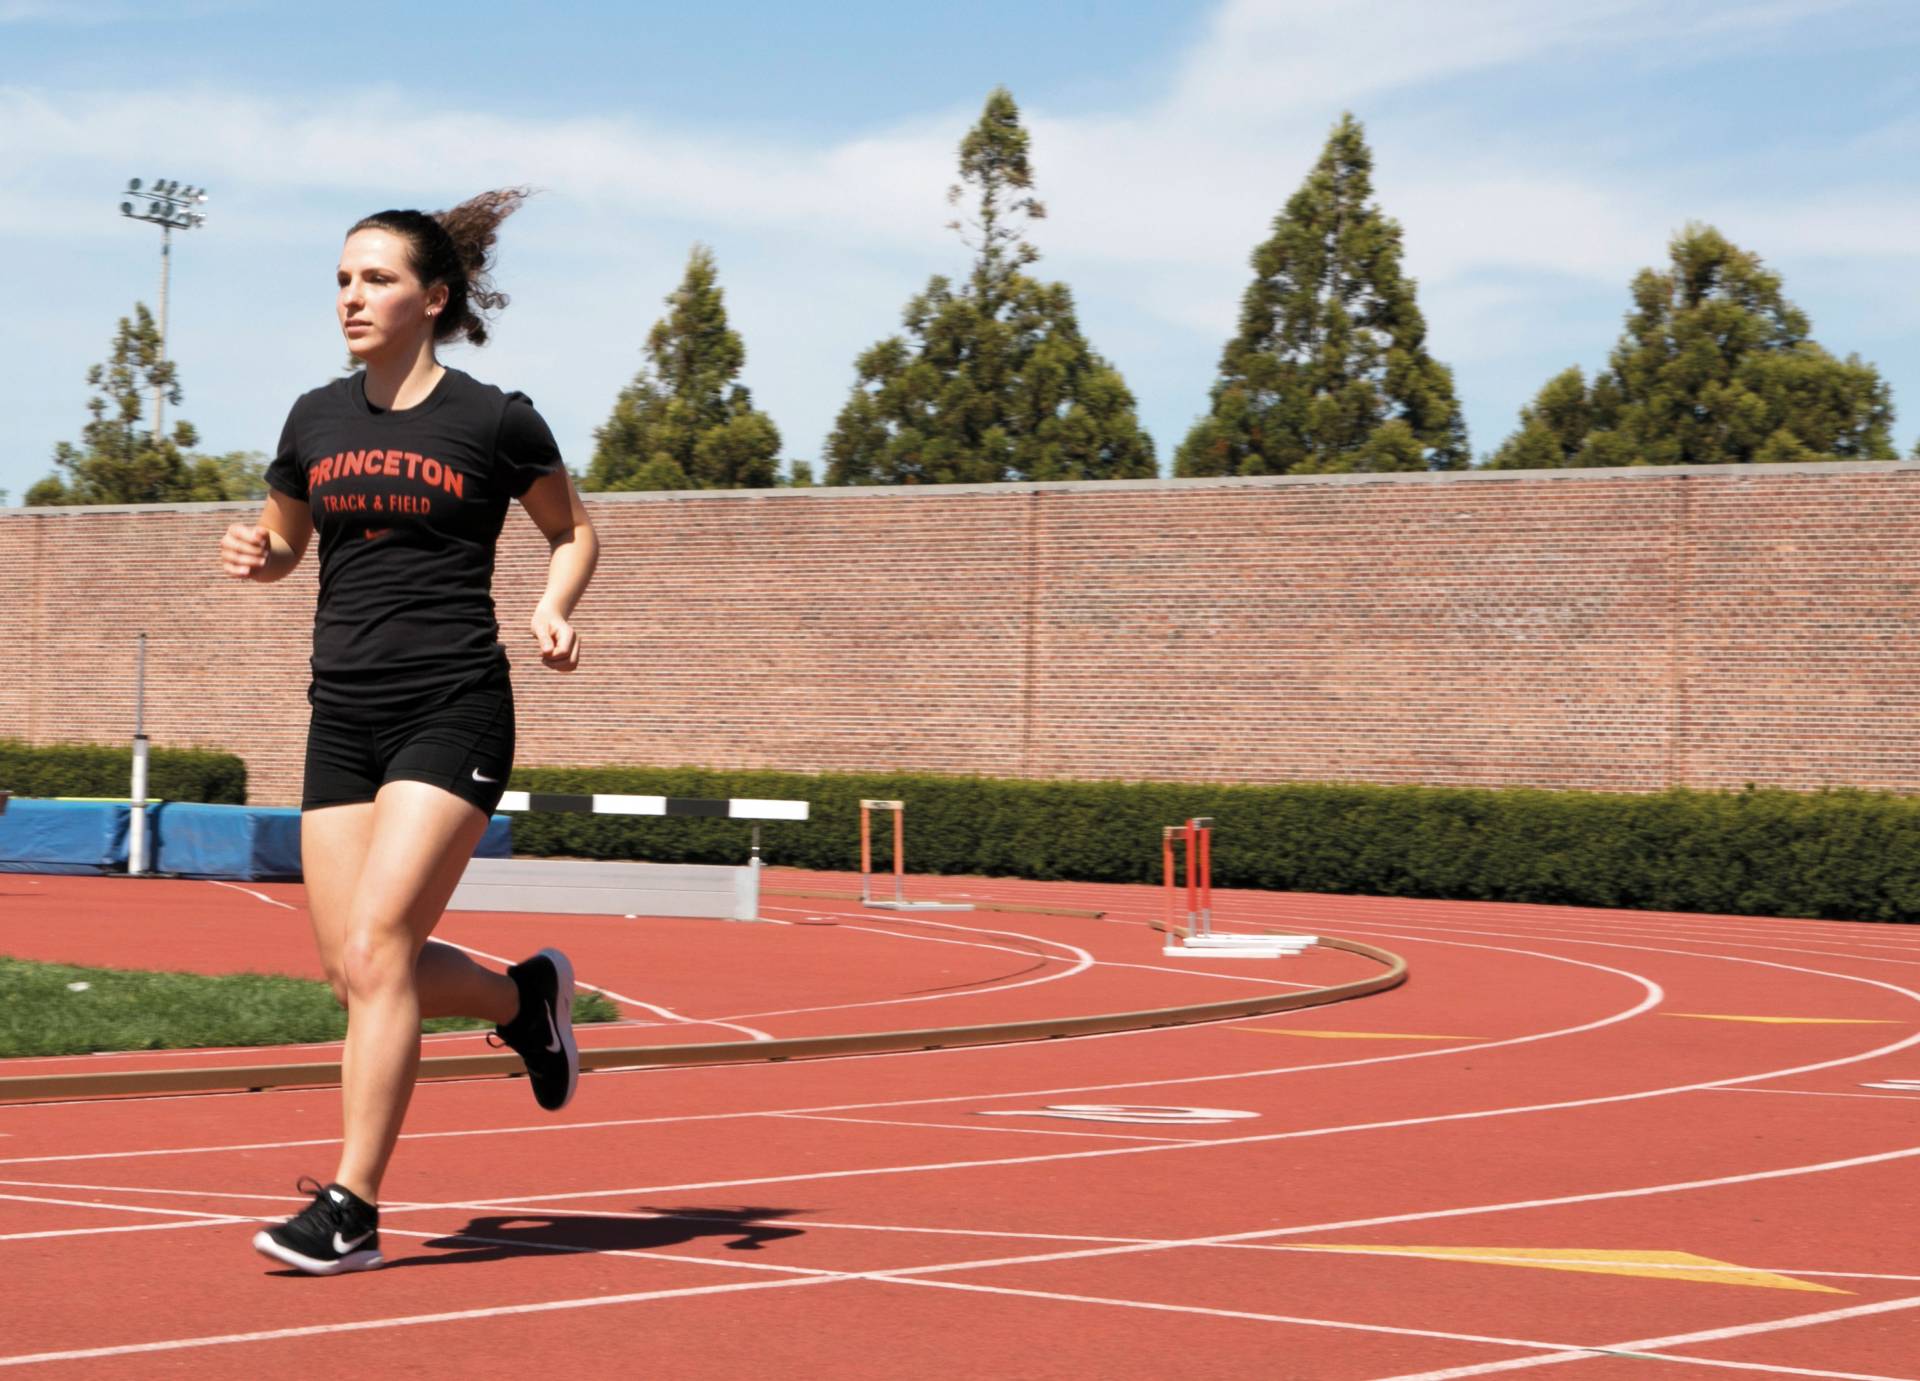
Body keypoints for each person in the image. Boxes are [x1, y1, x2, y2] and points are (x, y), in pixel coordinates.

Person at [220, 189, 599, 1275]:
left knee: (381, 946)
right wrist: (261, 555)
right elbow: (291, 545)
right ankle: (523, 998)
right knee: (355, 972)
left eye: (376, 278)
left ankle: (352, 1206)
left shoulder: (494, 419)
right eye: (342, 278)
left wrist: (556, 602)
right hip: (340, 713)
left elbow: (572, 531)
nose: (352, 296)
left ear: (433, 299)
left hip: (453, 705)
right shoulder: (313, 420)